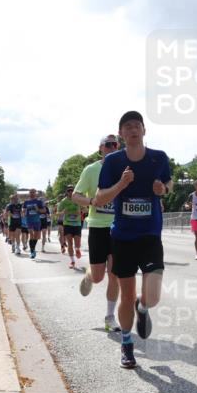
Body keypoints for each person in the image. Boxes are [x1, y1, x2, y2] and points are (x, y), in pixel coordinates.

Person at [95, 111, 171, 369]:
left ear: (144, 130)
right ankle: (127, 344)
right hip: (123, 237)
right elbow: (99, 199)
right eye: (127, 127)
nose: (133, 129)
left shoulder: (158, 158)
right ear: (121, 134)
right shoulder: (113, 162)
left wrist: (164, 190)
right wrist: (121, 184)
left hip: (150, 235)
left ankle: (143, 307)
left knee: (153, 295)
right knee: (126, 295)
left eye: (137, 125)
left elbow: (168, 186)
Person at [73, 134, 121, 331]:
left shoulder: (124, 168)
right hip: (98, 226)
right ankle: (90, 275)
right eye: (108, 145)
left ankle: (110, 317)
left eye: (115, 145)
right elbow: (76, 195)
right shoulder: (91, 170)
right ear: (100, 148)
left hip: (119, 227)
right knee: (100, 276)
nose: (112, 147)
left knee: (115, 274)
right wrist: (92, 201)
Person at [57, 185, 84, 269]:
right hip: (67, 224)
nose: (70, 192)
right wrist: (63, 212)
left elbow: (86, 209)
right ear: (66, 192)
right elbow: (57, 213)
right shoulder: (63, 201)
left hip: (77, 224)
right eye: (68, 190)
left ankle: (77, 249)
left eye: (72, 190)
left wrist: (81, 211)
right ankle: (72, 261)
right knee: (69, 243)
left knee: (77, 243)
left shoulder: (79, 199)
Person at [23, 189, 45, 258]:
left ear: (36, 194)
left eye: (33, 192)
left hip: (37, 221)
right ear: (29, 194)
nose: (32, 194)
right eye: (31, 192)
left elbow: (44, 210)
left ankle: (33, 248)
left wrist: (38, 209)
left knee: (36, 236)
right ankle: (32, 251)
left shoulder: (39, 202)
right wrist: (24, 211)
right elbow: (23, 210)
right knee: (31, 234)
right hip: (29, 220)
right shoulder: (26, 202)